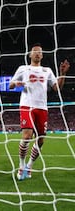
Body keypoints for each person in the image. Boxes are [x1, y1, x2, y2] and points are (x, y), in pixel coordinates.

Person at [9, 43, 70, 181]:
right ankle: (21, 165)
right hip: (26, 105)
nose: (37, 53)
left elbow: (57, 88)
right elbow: (10, 84)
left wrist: (63, 74)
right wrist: (16, 84)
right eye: (35, 51)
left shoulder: (47, 71)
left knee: (41, 140)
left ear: (42, 55)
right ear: (30, 55)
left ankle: (29, 166)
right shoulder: (23, 69)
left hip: (42, 107)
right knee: (27, 136)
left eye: (39, 52)